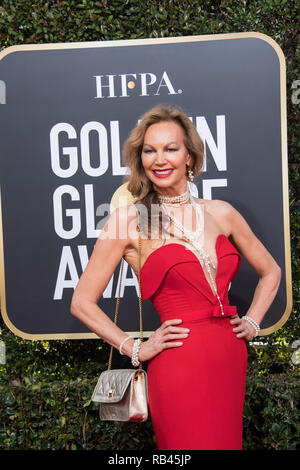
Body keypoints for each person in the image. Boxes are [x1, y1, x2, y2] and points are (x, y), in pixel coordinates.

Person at [70, 104, 281, 450]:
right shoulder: (128, 221)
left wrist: (254, 322)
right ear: (140, 159)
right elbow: (81, 302)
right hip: (177, 361)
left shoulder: (221, 212)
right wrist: (135, 348)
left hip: (229, 356)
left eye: (171, 148)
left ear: (190, 156)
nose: (160, 159)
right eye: (149, 150)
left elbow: (271, 271)